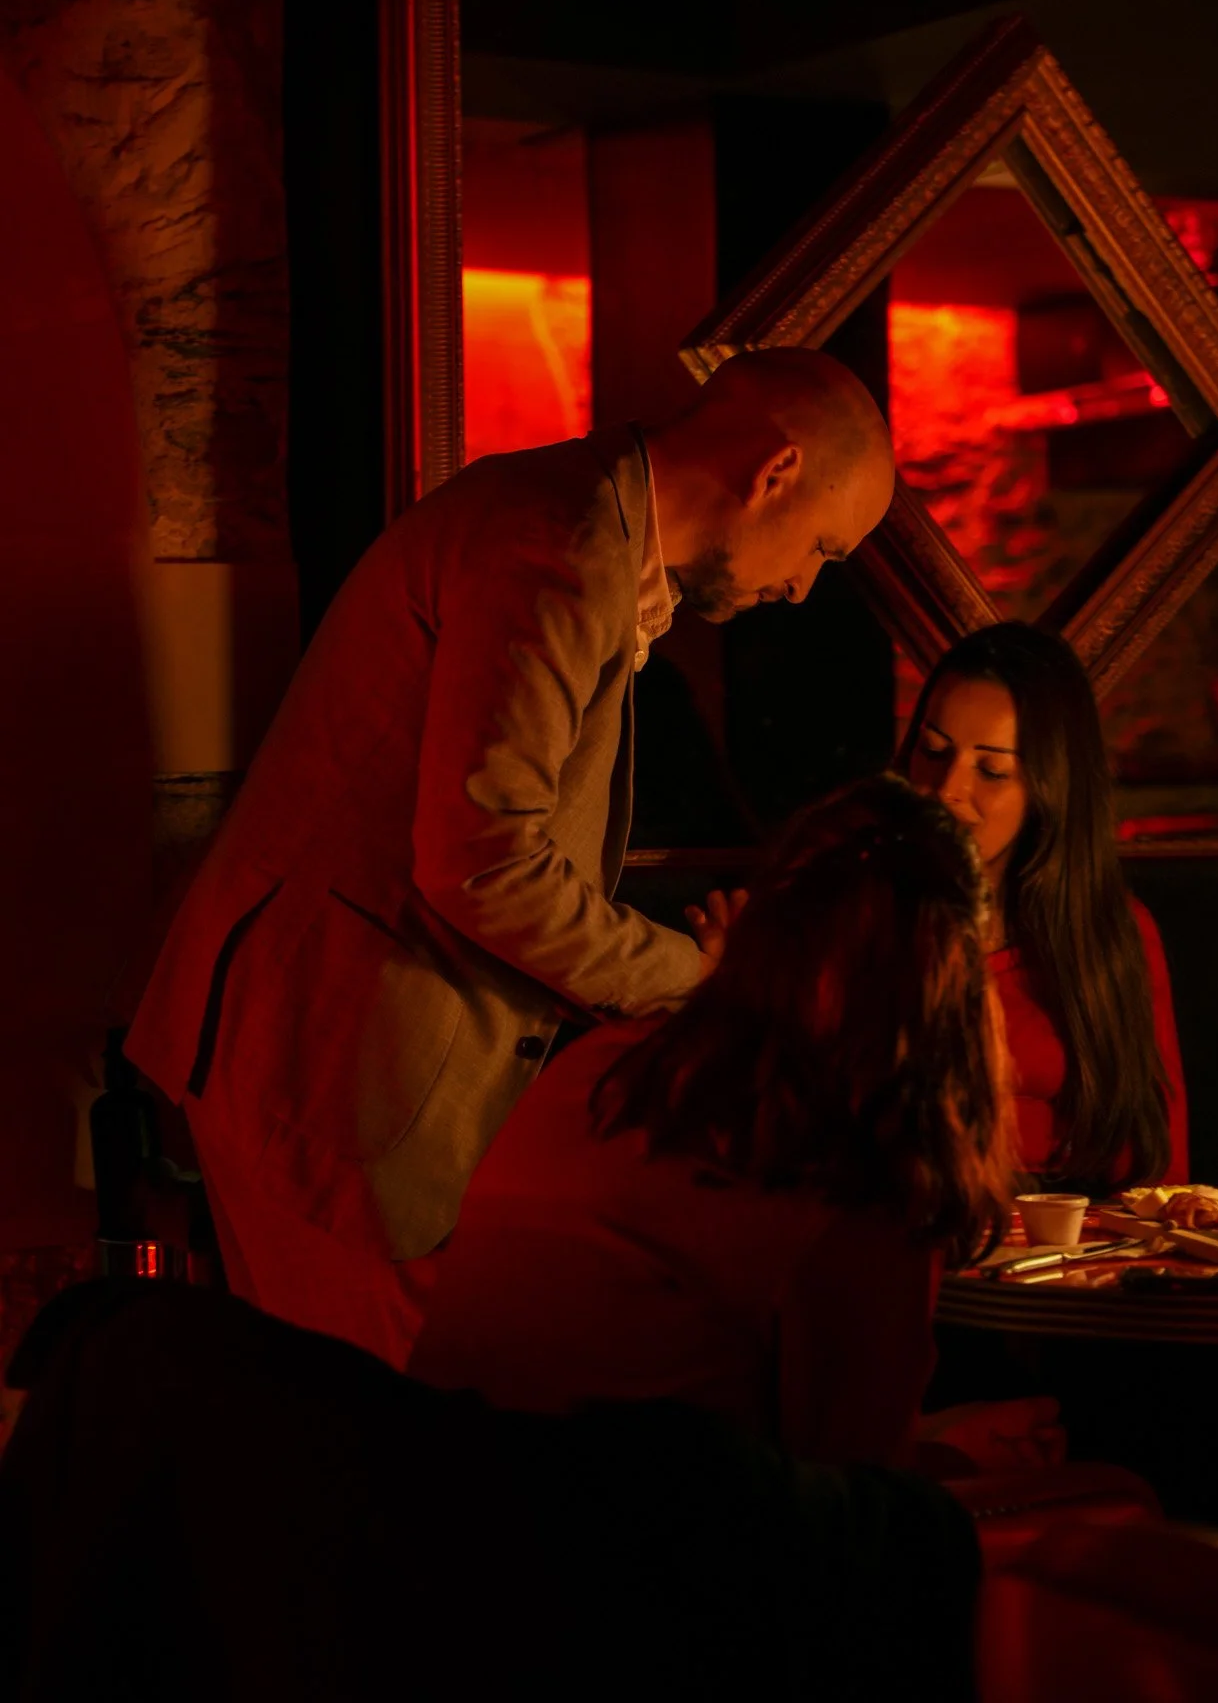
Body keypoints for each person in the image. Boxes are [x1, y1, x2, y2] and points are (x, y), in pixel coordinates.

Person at [126, 348, 895, 1367]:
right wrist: (709, 980)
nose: (802, 589)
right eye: (825, 548)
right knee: (382, 1443)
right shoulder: (559, 545)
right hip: (329, 1070)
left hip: (344, 1057)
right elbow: (485, 866)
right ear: (776, 473)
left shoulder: (580, 526)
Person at [409, 776, 1020, 1469]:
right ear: (955, 982)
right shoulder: (854, 1159)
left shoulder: (611, 1066)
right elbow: (852, 1483)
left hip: (440, 1499)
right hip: (628, 1530)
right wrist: (959, 1453)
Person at [900, 621, 1189, 1188]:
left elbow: (1157, 1171)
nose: (946, 788)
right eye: (932, 750)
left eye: (991, 770)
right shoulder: (853, 916)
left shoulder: (1108, 934)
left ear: (1047, 787)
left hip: (1069, 1234)